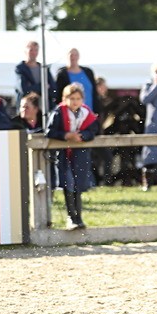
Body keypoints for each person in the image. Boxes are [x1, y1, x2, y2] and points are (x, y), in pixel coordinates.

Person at [46, 83, 97, 229]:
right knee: (68, 184)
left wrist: (83, 136)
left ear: (82, 100)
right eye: (71, 98)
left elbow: (93, 130)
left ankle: (78, 218)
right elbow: (49, 131)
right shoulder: (58, 112)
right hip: (63, 155)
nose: (75, 101)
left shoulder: (86, 113)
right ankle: (71, 217)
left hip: (80, 154)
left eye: (78, 98)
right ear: (65, 99)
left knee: (78, 185)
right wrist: (65, 135)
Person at [92, 77, 118, 186]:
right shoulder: (95, 101)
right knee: (105, 158)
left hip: (99, 134)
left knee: (102, 159)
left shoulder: (99, 100)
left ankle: (102, 182)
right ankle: (104, 182)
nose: (105, 88)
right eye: (103, 86)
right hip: (94, 134)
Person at [15, 40, 54, 113]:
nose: (33, 52)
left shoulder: (44, 68)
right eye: (31, 50)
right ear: (26, 51)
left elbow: (53, 88)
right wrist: (43, 87)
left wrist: (33, 87)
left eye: (36, 50)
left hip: (43, 108)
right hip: (27, 109)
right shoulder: (20, 69)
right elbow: (24, 89)